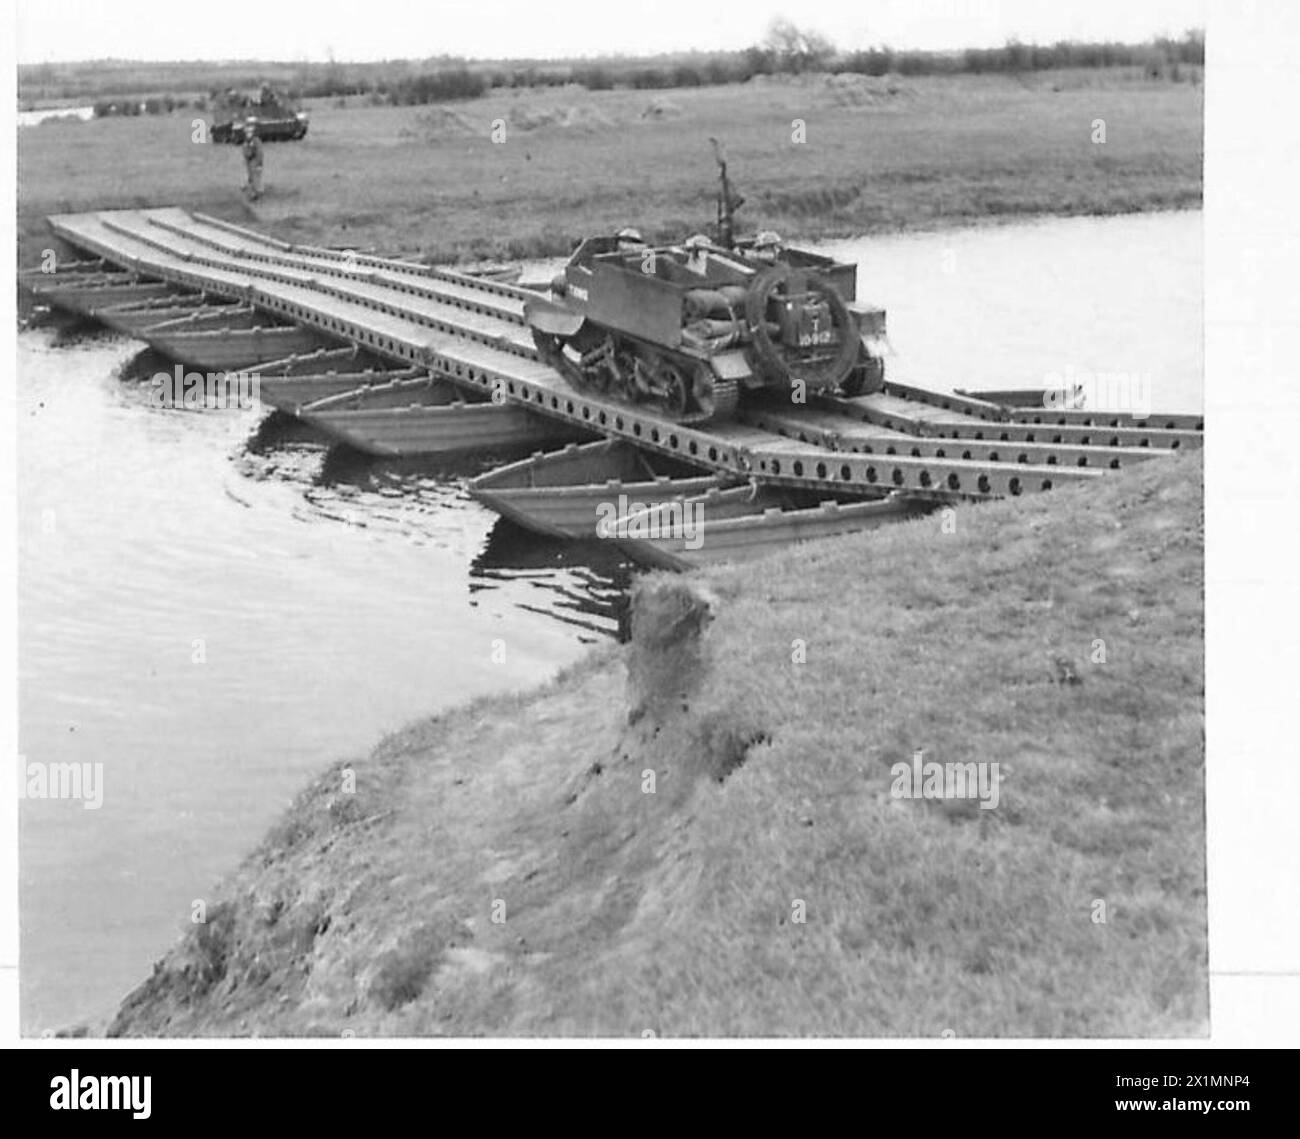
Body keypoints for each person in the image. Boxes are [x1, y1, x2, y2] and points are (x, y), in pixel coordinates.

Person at [241, 120, 264, 201]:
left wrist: (259, 164)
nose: (248, 134)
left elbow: (260, 153)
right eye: (247, 132)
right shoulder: (246, 141)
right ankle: (252, 191)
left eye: (250, 132)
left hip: (255, 160)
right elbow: (245, 151)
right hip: (249, 161)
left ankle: (256, 193)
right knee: (250, 177)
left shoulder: (256, 141)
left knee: (256, 177)